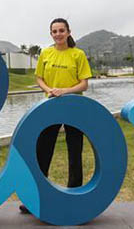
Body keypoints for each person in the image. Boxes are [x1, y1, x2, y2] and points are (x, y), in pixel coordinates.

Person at [20, 18, 92, 214]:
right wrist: (50, 90)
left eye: (61, 30)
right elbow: (39, 78)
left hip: (74, 106)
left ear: (68, 32)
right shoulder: (46, 53)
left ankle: (75, 194)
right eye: (54, 31)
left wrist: (65, 91)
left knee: (75, 151)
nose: (58, 34)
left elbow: (84, 84)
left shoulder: (78, 54)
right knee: (43, 150)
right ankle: (35, 197)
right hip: (50, 106)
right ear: (51, 34)